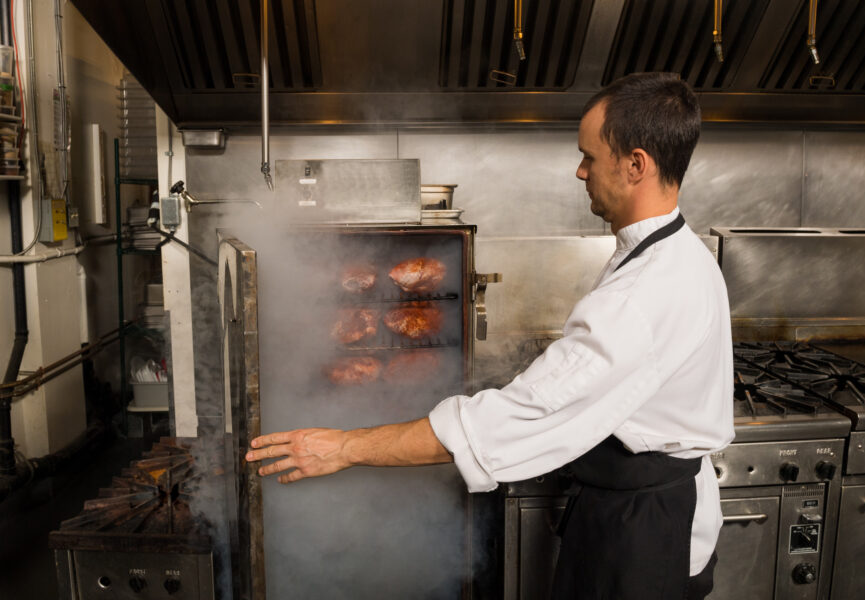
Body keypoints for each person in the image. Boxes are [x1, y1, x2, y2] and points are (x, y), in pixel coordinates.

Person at [245, 72, 734, 599]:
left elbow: (508, 422)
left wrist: (344, 446)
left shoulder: (643, 292)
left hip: (641, 534)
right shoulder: (679, 253)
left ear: (636, 164)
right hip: (644, 510)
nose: (580, 170)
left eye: (590, 156)